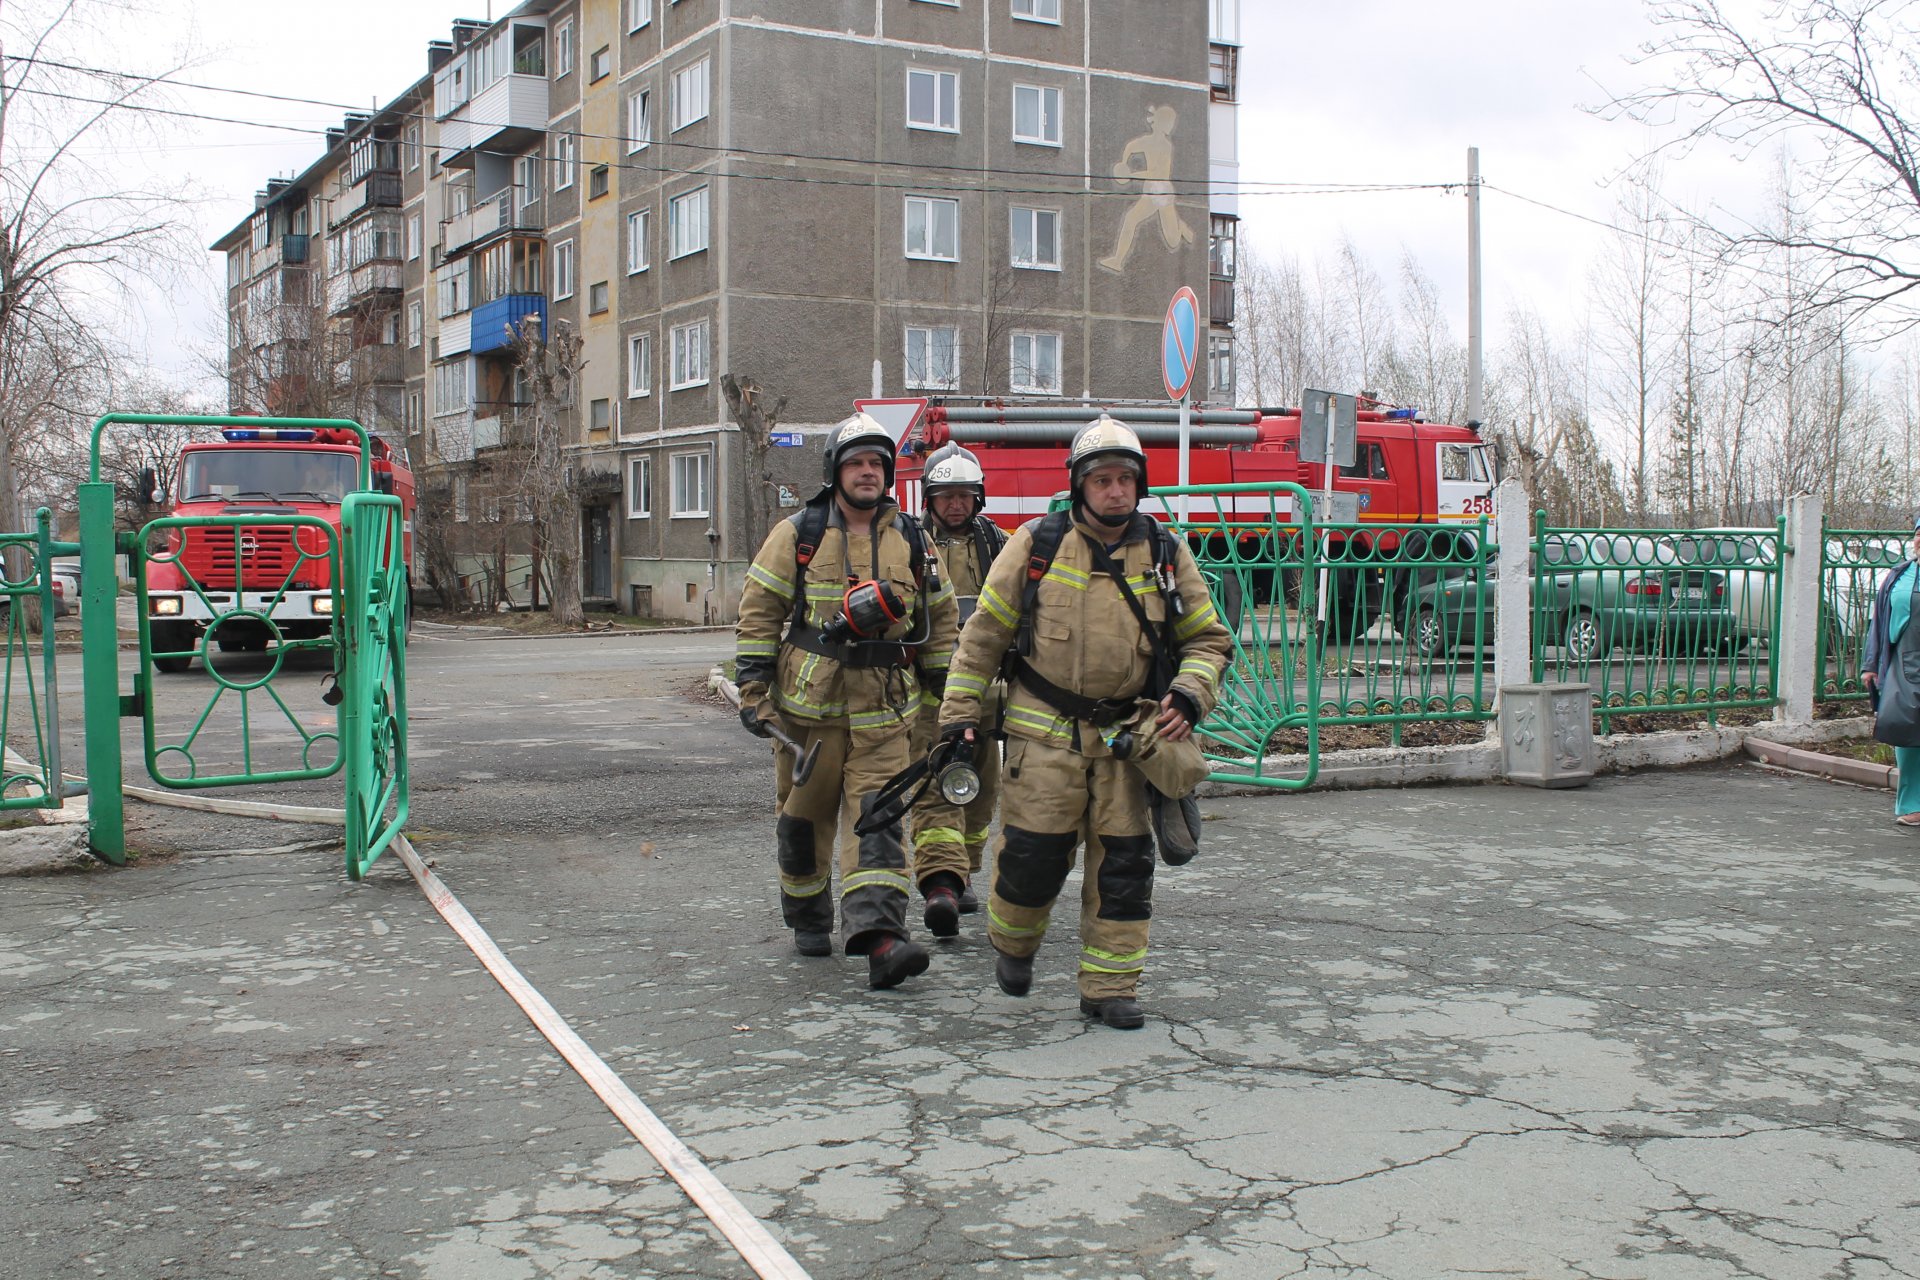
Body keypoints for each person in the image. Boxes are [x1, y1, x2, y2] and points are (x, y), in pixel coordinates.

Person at [936, 416, 1231, 1029]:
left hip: (1130, 744)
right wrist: (959, 720)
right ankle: (1013, 944)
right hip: (1041, 740)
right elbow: (981, 640)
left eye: (1126, 479)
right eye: (1103, 480)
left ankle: (1109, 986)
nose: (1116, 491)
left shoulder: (1167, 553)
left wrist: (1189, 693)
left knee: (1124, 869)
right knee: (1031, 863)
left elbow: (1208, 639)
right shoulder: (1034, 546)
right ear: (1080, 485)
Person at [734, 413, 960, 987]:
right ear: (836, 469)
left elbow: (941, 620)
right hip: (806, 714)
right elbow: (760, 612)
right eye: (856, 463)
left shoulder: (912, 538)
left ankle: (882, 940)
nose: (867, 473)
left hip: (886, 714)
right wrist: (754, 690)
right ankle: (809, 916)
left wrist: (945, 697)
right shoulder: (798, 534)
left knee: (878, 823)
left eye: (876, 464)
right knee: (803, 823)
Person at [908, 443, 1010, 937]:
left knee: (983, 788)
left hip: (986, 692)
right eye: (945, 495)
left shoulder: (1001, 545)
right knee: (937, 784)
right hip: (928, 692)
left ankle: (963, 873)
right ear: (929, 498)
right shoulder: (910, 543)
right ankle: (942, 879)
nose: (955, 505)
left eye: (964, 495)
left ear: (978, 498)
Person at [1861, 517, 1920, 826]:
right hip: (1904, 664)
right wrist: (1870, 665)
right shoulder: (1899, 576)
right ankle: (1912, 805)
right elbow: (1878, 623)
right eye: (1919, 534)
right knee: (1905, 735)